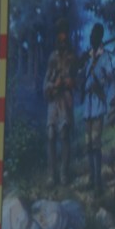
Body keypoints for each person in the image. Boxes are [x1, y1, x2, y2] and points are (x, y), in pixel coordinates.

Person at [82, 22, 115, 193]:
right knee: (88, 144)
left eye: (95, 35)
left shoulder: (105, 57)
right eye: (91, 35)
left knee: (96, 144)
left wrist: (106, 95)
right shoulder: (88, 57)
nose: (92, 37)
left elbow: (111, 79)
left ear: (100, 37)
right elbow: (82, 76)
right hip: (87, 107)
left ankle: (98, 182)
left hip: (98, 104)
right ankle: (90, 178)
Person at [43, 17, 77, 186]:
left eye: (64, 33)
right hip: (53, 101)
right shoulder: (52, 58)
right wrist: (53, 85)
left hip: (65, 101)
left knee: (64, 135)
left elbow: (79, 79)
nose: (62, 37)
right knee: (50, 135)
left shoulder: (72, 57)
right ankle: (52, 174)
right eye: (60, 34)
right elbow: (45, 84)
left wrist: (72, 82)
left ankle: (64, 174)